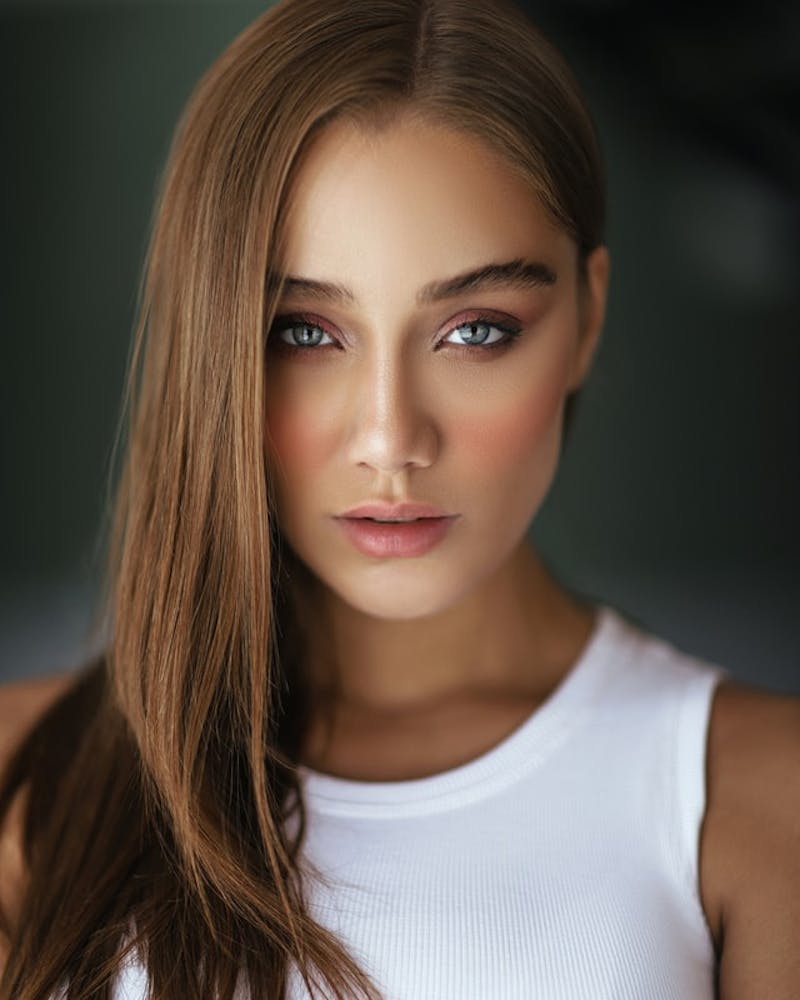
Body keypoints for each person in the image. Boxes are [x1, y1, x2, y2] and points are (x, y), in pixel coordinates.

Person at [1, 0, 798, 997]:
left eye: (474, 330)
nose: (389, 439)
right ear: (211, 344)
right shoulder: (24, 783)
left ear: (586, 316)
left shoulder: (761, 795)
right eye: (304, 331)